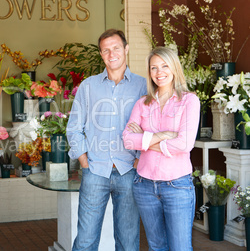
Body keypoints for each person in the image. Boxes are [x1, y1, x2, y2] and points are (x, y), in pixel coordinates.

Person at [66, 29, 147, 250]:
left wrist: (139, 161)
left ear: (126, 49)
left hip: (128, 172)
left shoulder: (142, 86)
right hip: (95, 171)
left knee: (128, 241)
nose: (112, 54)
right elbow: (73, 127)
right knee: (85, 240)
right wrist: (84, 161)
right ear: (101, 54)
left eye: (116, 48)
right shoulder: (88, 86)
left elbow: (151, 126)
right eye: (106, 50)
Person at [122, 46, 200, 250]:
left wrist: (145, 141)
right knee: (156, 247)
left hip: (177, 186)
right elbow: (128, 140)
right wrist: (162, 137)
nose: (159, 72)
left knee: (180, 247)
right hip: (144, 185)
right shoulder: (142, 104)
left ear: (174, 68)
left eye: (164, 66)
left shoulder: (189, 101)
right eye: (154, 67)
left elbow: (185, 144)